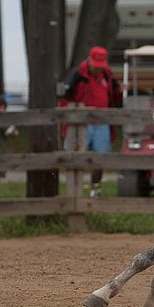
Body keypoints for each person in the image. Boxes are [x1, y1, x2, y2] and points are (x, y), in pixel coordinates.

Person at [62, 46, 122, 197]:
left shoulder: (107, 75)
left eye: (100, 66)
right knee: (74, 155)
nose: (97, 69)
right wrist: (69, 117)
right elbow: (64, 96)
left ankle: (95, 188)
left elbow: (116, 95)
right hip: (80, 122)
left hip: (102, 122)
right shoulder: (77, 74)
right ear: (90, 60)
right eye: (95, 65)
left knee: (100, 158)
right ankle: (74, 190)